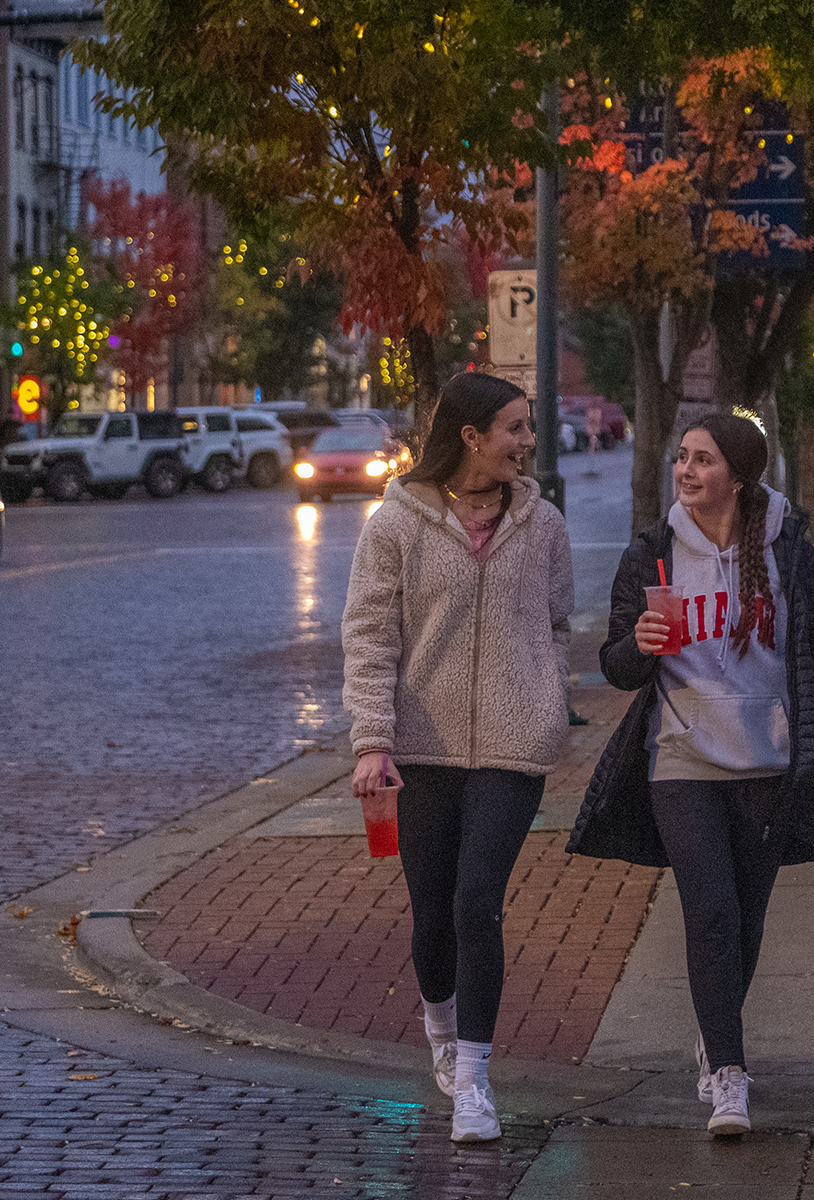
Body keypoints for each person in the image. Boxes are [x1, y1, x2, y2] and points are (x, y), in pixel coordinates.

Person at [569, 413, 814, 1137]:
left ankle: (714, 1026)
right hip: (682, 755)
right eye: (681, 458)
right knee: (712, 911)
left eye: (702, 461)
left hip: (767, 755)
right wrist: (637, 643)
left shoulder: (788, 551)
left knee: (746, 919)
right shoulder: (653, 553)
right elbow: (616, 665)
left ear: (740, 476)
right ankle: (728, 1073)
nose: (686, 472)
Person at [341, 372, 574, 1144]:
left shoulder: (542, 524)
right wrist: (372, 740)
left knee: (480, 902)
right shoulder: (397, 522)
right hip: (420, 746)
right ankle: (439, 1023)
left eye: (528, 428)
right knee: (434, 912)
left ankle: (473, 1078)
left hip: (513, 745)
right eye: (514, 428)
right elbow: (371, 634)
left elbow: (556, 620)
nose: (527, 442)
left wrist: (545, 697)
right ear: (471, 436)